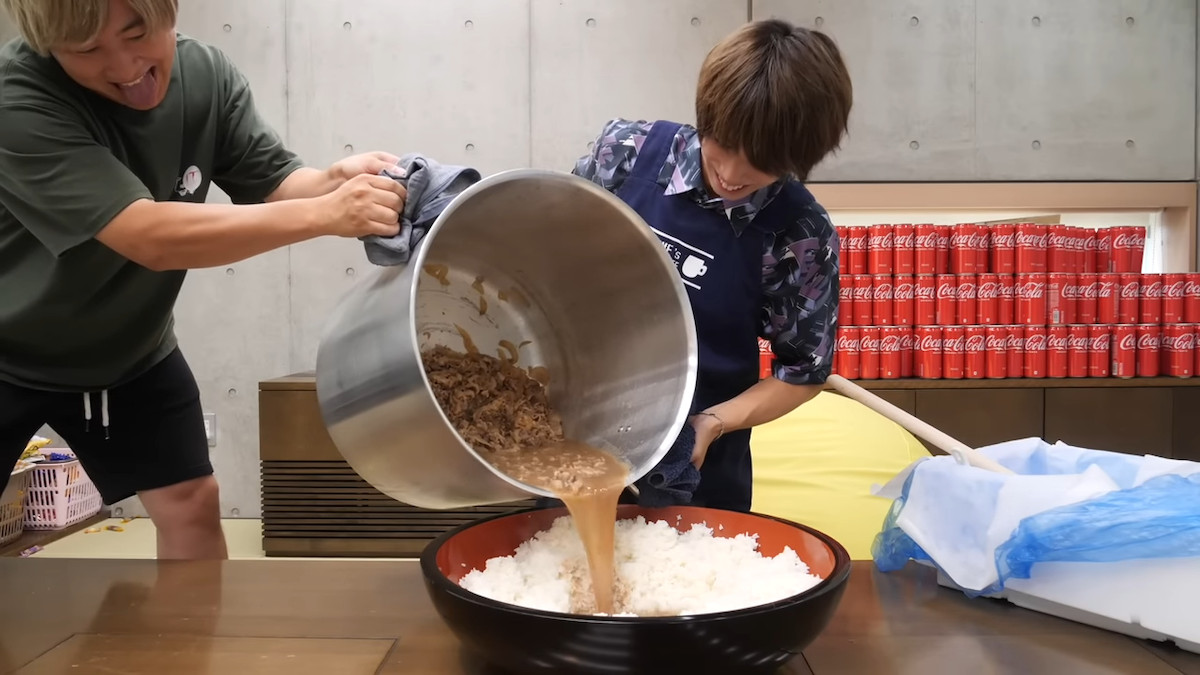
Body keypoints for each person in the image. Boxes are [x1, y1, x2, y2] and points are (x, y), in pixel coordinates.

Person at [0, 0, 408, 559]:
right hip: (7, 349)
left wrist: (331, 180)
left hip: (130, 352)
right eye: (87, 50)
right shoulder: (16, 100)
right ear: (50, 48)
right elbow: (149, 237)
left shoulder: (205, 76)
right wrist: (329, 213)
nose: (123, 67)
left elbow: (274, 181)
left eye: (138, 32)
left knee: (191, 501)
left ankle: (191, 646)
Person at [573, 19, 851, 512]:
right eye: (721, 144)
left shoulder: (799, 233)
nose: (732, 174)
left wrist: (714, 423)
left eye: (762, 164)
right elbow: (548, 252)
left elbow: (805, 370)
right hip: (573, 439)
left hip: (697, 471)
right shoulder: (626, 153)